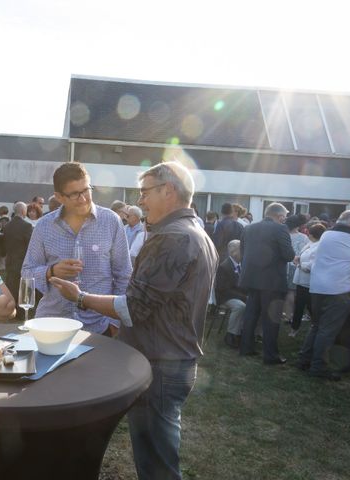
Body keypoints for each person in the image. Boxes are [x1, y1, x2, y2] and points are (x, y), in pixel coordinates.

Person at [49, 161, 218, 480]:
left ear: (168, 191)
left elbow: (134, 308)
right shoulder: (196, 234)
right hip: (173, 358)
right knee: (157, 456)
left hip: (160, 363)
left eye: (145, 192)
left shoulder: (172, 237)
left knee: (157, 465)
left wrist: (80, 297)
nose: (140, 201)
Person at [22, 162, 132, 337]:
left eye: (86, 190)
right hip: (52, 324)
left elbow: (124, 275)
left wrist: (115, 323)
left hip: (98, 326)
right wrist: (51, 271)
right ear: (59, 197)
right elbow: (27, 273)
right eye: (74, 194)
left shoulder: (111, 221)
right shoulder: (44, 226)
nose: (83, 199)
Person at [298, 210, 350, 380]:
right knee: (327, 331)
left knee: (316, 326)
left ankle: (303, 360)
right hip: (338, 290)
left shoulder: (327, 234)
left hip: (316, 287)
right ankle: (318, 367)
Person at [238, 202, 295, 364]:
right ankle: (270, 356)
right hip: (272, 281)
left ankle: (246, 348)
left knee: (251, 314)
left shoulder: (249, 228)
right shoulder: (281, 229)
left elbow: (242, 252)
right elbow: (289, 255)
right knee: (271, 318)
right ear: (280, 216)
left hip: (251, 278)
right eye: (285, 217)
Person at [290, 223, 326, 337]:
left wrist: (300, 264)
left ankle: (318, 328)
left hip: (310, 282)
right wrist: (299, 259)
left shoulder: (320, 246)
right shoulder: (311, 243)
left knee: (312, 307)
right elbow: (304, 256)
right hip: (301, 281)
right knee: (299, 306)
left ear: (312, 234)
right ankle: (294, 328)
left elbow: (313, 265)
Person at [2, 202, 33, 318]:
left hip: (9, 260)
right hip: (22, 261)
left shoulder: (7, 225)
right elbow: (30, 246)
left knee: (11, 286)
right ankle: (21, 313)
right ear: (24, 211)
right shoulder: (27, 226)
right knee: (23, 287)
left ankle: (11, 310)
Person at [215, 240, 247, 348]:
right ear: (233, 252)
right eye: (241, 249)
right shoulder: (224, 266)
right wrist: (244, 297)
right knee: (240, 306)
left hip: (236, 295)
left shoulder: (240, 264)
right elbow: (223, 289)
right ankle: (231, 335)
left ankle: (245, 333)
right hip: (224, 297)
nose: (243, 252)